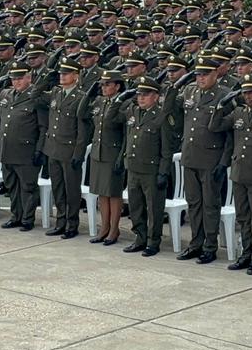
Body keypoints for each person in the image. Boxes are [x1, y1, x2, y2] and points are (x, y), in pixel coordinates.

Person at [173, 56, 232, 264]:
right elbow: (172, 106)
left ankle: (209, 246)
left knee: (210, 205)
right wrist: (176, 85)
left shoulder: (224, 96)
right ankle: (195, 243)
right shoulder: (189, 91)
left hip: (211, 159)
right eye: (198, 74)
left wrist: (224, 162)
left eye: (205, 74)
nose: (201, 78)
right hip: (190, 156)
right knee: (194, 204)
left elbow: (230, 133)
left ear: (216, 73)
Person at [212, 76, 252, 275]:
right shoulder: (238, 112)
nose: (248, 96)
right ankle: (245, 254)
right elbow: (216, 126)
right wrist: (221, 105)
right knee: (244, 217)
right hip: (239, 172)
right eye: (245, 93)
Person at [111, 76, 171, 256]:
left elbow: (166, 150)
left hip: (151, 170)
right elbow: (112, 117)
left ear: (156, 96)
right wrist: (120, 98)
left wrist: (163, 172)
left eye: (146, 94)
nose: (141, 98)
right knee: (136, 206)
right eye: (139, 94)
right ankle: (140, 237)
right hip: (133, 167)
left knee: (153, 208)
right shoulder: (133, 112)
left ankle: (153, 241)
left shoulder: (161, 117)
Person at [42, 58, 92, 239]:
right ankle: (60, 221)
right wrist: (45, 77)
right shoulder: (56, 93)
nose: (62, 76)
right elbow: (35, 95)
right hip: (53, 148)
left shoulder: (81, 97)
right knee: (58, 188)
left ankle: (72, 224)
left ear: (76, 76)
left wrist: (79, 153)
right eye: (61, 73)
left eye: (66, 73)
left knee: (71, 190)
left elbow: (82, 130)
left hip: (69, 150)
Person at [0, 62, 46, 230]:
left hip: (26, 150)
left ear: (29, 78)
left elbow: (42, 127)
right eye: (13, 78)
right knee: (12, 186)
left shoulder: (35, 96)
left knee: (28, 186)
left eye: (19, 78)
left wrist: (39, 149)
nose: (16, 82)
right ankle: (16, 215)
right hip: (8, 148)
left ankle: (27, 218)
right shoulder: (6, 94)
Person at [86, 71, 128, 245]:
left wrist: (122, 156)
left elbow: (126, 133)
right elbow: (82, 112)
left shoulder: (124, 104)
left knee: (113, 193)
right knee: (102, 193)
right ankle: (104, 227)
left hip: (113, 153)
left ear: (117, 86)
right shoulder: (100, 101)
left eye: (107, 84)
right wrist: (90, 91)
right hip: (99, 152)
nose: (103, 87)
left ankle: (113, 229)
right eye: (102, 84)